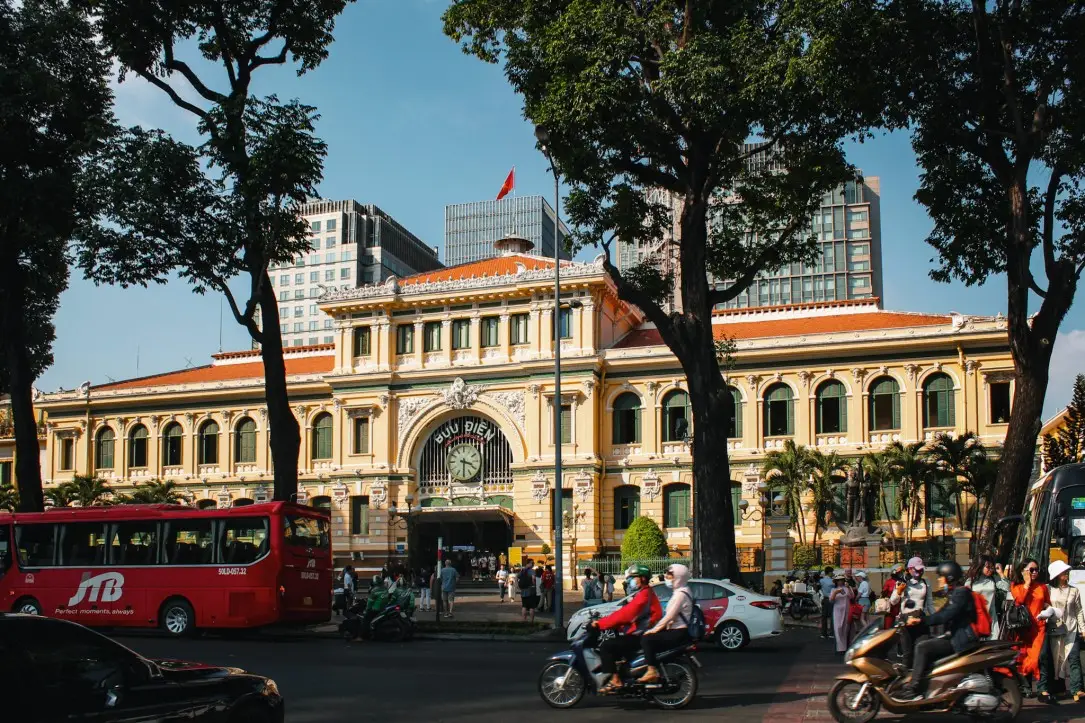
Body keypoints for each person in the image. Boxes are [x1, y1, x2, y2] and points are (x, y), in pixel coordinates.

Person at [897, 561, 978, 701]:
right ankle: (928, 685)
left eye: (941, 576)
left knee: (922, 647)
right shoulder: (955, 593)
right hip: (954, 636)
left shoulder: (961, 593)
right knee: (924, 643)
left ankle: (913, 688)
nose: (939, 580)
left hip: (960, 639)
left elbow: (946, 615)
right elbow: (942, 613)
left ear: (950, 577)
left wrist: (922, 621)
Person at [590, 564, 663, 694]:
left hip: (639, 635)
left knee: (606, 646)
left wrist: (601, 624)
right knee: (616, 643)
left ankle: (616, 680)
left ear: (643, 579)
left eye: (633, 578)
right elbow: (625, 612)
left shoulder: (644, 595)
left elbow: (626, 615)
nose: (630, 581)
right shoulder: (644, 593)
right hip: (639, 632)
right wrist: (607, 619)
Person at [639, 564, 694, 683]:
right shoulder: (683, 590)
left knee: (646, 639)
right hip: (677, 630)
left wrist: (654, 630)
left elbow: (669, 617)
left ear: (678, 577)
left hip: (678, 632)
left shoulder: (680, 595)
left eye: (670, 575)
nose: (666, 577)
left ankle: (651, 670)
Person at [1042, 560, 1084, 702]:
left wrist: (1083, 628)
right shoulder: (1048, 589)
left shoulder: (1074, 590)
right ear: (1057, 575)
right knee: (1057, 660)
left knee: (1074, 659)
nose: (1067, 574)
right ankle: (1059, 689)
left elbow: (1078, 611)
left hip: (1072, 630)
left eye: (1067, 572)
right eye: (1063, 572)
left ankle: (1077, 689)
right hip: (1055, 630)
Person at [1010, 558, 1053, 700]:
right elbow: (1020, 600)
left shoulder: (1042, 587)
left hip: (1040, 627)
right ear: (1023, 571)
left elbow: (1047, 603)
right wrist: (1027, 583)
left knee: (1042, 657)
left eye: (1036, 570)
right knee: (1025, 656)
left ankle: (1043, 689)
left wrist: (1049, 610)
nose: (1035, 572)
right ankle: (1026, 687)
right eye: (1031, 570)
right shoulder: (1016, 586)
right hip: (1024, 628)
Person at [890, 557, 934, 668]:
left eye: (921, 569)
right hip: (905, 620)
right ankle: (905, 680)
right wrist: (899, 592)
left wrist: (935, 618)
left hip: (920, 619)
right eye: (917, 569)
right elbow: (893, 601)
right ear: (909, 569)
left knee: (922, 649)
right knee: (907, 653)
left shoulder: (925, 582)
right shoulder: (902, 582)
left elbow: (930, 603)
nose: (920, 572)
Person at [965, 554, 1009, 640]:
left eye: (992, 567)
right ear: (980, 566)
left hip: (991, 617)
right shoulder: (971, 581)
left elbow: (1007, 587)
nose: (990, 570)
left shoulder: (993, 579)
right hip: (976, 617)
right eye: (988, 567)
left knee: (993, 644)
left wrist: (1001, 573)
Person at [829, 572, 854, 654]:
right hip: (837, 610)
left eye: (841, 580)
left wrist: (849, 588)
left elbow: (852, 597)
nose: (840, 582)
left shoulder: (847, 588)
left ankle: (845, 647)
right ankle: (840, 647)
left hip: (846, 609)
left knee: (845, 628)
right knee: (838, 627)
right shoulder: (833, 590)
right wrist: (836, 592)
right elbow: (831, 600)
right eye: (838, 580)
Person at [819, 566, 836, 640]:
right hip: (832, 599)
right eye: (832, 572)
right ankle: (832, 633)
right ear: (829, 572)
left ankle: (823, 633)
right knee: (832, 617)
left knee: (824, 617)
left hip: (825, 599)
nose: (833, 573)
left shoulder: (821, 580)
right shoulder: (833, 581)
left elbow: (818, 587)